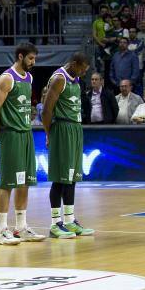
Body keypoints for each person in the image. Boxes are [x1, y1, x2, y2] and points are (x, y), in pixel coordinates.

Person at [0, 43, 46, 245]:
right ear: (20, 56)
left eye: (35, 59)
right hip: (10, 134)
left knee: (25, 182)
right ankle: (1, 229)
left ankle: (20, 227)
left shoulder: (29, 78)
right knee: (7, 183)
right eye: (31, 58)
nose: (33, 62)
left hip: (26, 134)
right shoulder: (7, 78)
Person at [41, 52, 94, 239]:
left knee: (71, 178)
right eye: (82, 69)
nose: (83, 73)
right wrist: (49, 134)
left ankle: (70, 220)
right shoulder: (58, 79)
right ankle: (55, 223)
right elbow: (46, 110)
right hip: (62, 128)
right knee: (60, 178)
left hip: (75, 128)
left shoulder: (75, 79)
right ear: (73, 63)